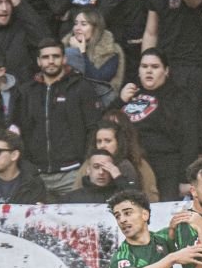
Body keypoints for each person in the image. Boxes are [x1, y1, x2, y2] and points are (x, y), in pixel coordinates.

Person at [15, 38, 103, 197]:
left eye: (55, 56)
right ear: (38, 61)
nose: (50, 61)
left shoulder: (81, 87)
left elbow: (94, 128)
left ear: (64, 59)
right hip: (37, 174)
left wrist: (85, 162)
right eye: (45, 57)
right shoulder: (26, 91)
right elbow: (19, 129)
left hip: (72, 173)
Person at [116, 48, 199, 201]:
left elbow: (190, 140)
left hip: (166, 170)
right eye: (144, 66)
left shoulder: (179, 98)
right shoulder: (129, 95)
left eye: (155, 67)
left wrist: (184, 179)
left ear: (166, 71)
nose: (149, 71)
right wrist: (119, 101)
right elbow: (107, 126)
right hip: (131, 167)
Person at [141, 0, 202, 106]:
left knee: (190, 115)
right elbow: (151, 32)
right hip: (165, 64)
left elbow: (194, 1)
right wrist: (146, 62)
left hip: (191, 64)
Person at [72, 119, 160, 201]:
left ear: (118, 143)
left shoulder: (131, 163)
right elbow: (76, 191)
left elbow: (144, 196)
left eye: (108, 141)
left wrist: (118, 177)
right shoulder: (89, 163)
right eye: (99, 141)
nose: (102, 145)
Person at [62, 8, 126, 90]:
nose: (77, 28)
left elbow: (98, 80)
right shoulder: (64, 47)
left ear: (95, 28)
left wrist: (81, 52)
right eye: (76, 23)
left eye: (83, 24)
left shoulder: (111, 50)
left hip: (100, 97)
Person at [61, 148, 139, 203]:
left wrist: (118, 176)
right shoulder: (72, 198)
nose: (101, 172)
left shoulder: (119, 196)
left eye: (106, 168)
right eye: (96, 167)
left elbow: (137, 203)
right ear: (88, 170)